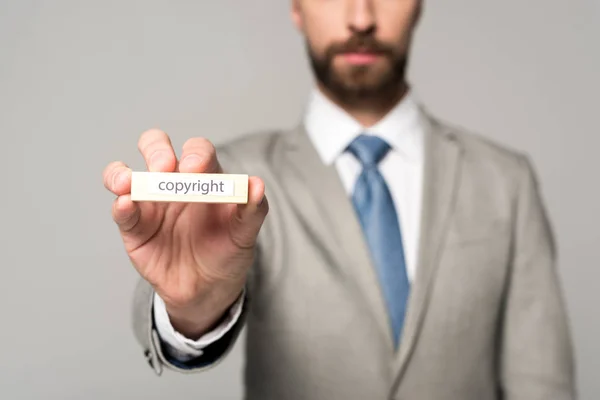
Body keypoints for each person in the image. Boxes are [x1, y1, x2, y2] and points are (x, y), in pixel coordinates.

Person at [102, 0, 576, 399]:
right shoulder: (232, 180)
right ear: (296, 7)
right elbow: (183, 300)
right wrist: (191, 308)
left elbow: (542, 382)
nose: (361, 18)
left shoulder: (505, 181)